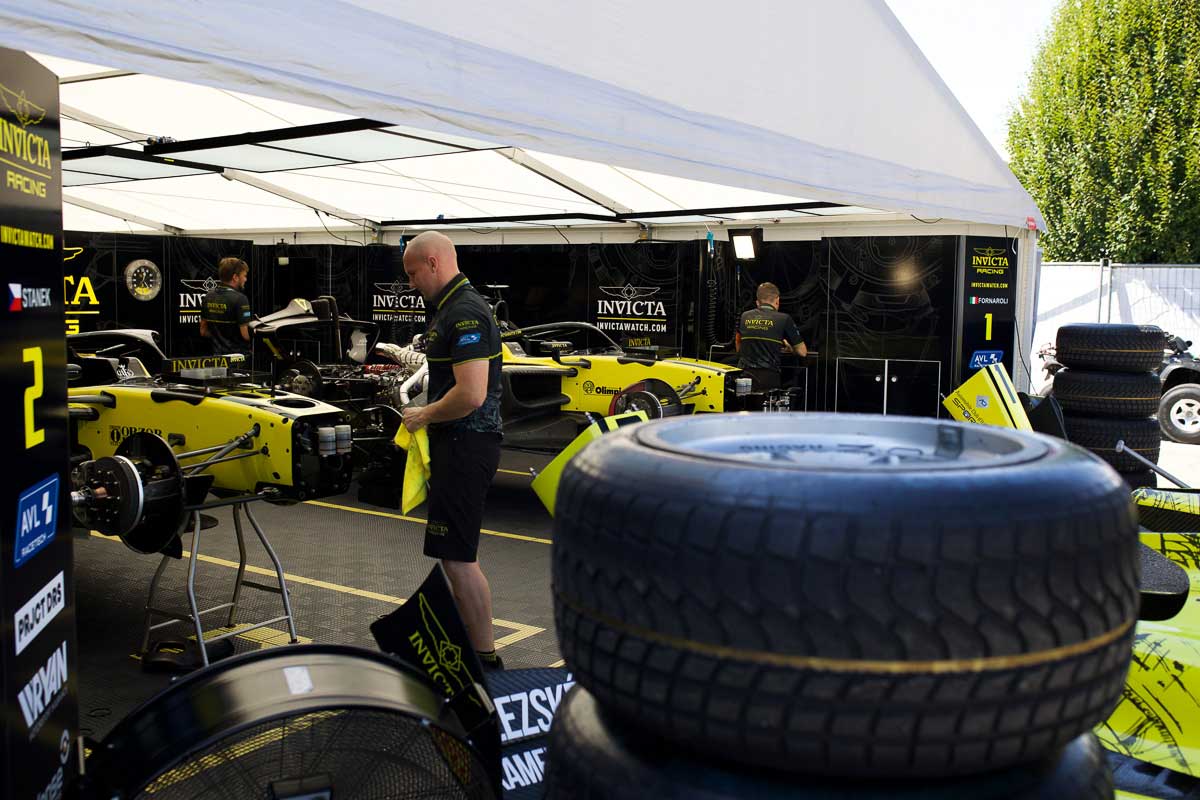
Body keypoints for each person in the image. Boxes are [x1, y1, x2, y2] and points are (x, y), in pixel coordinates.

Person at [400, 231, 505, 671]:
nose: (410, 284)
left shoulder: (464, 313)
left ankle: (485, 660)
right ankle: (470, 649)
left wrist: (422, 415)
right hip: (458, 443)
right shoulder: (450, 308)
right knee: (453, 557)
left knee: (460, 559)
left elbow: (472, 394)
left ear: (434, 263)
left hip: (467, 444)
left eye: (412, 274)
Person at [736, 281, 807, 392]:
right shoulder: (784, 319)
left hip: (744, 377)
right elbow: (802, 352)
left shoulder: (745, 316)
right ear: (777, 300)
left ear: (757, 302)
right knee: (765, 408)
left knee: (743, 407)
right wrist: (790, 348)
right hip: (768, 378)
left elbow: (738, 345)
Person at [199, 257, 252, 357]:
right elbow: (246, 335)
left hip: (217, 358)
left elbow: (203, 331)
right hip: (238, 359)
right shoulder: (241, 299)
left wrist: (219, 338)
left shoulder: (208, 297)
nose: (245, 279)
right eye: (244, 276)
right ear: (235, 277)